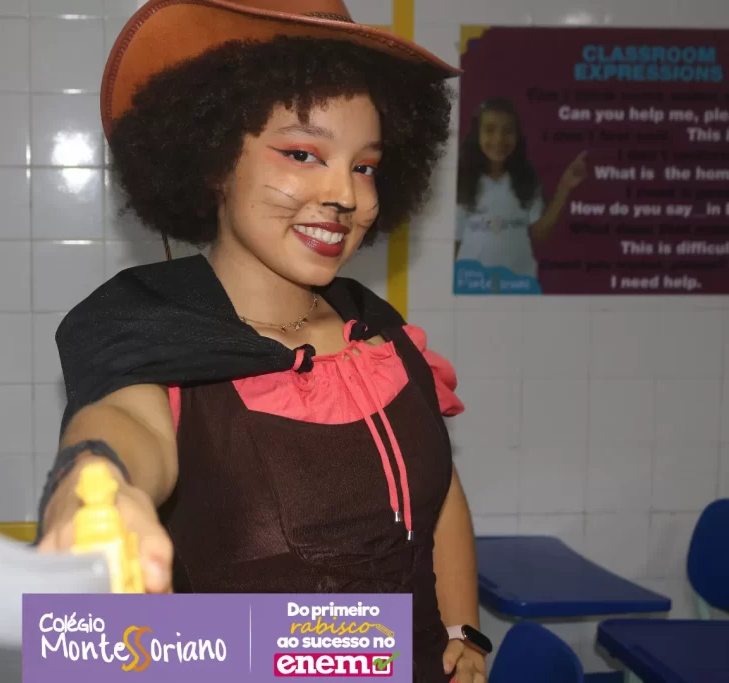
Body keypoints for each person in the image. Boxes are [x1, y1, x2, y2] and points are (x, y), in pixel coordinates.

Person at [37, 2, 484, 681]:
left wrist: (463, 630)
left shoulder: (381, 334)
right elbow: (126, 423)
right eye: (303, 154)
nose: (345, 195)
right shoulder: (154, 329)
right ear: (216, 159)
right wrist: (95, 484)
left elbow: (438, 491)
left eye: (365, 166)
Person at [455, 97, 588, 281]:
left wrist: (564, 187)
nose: (499, 139)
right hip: (473, 285)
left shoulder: (527, 179)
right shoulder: (462, 181)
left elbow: (539, 233)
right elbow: (453, 243)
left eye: (508, 131)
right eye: (490, 129)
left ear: (517, 136)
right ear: (477, 134)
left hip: (518, 284)